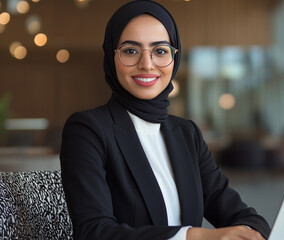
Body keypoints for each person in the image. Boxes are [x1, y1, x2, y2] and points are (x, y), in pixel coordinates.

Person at [59, 1, 271, 239]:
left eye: (160, 51)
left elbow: (246, 217)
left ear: (174, 57)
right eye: (131, 50)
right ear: (111, 56)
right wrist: (194, 237)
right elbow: (94, 232)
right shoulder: (88, 130)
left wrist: (253, 233)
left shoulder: (186, 133)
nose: (147, 64)